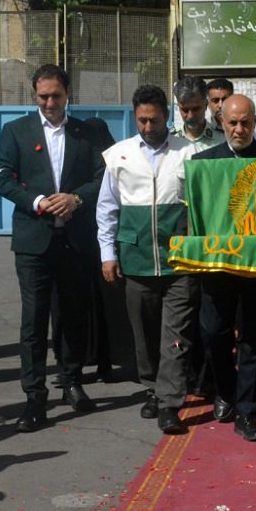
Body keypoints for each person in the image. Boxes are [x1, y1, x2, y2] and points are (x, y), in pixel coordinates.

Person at [0, 64, 106, 433]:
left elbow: (103, 177)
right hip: (34, 241)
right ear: (34, 95)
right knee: (34, 320)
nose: (50, 103)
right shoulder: (17, 131)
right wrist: (38, 201)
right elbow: (2, 179)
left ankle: (71, 381)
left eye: (56, 95)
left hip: (74, 240)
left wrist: (76, 198)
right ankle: (34, 396)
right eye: (43, 96)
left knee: (72, 315)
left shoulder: (86, 133)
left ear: (67, 93)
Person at [192, 94, 256, 442]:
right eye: (232, 123)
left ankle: (248, 412)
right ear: (221, 122)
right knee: (213, 333)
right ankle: (226, 390)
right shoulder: (203, 162)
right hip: (217, 267)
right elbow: (193, 215)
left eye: (245, 122)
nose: (239, 129)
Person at [97, 85, 198, 435]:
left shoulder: (190, 152)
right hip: (136, 259)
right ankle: (153, 388)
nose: (148, 127)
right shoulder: (119, 155)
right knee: (144, 333)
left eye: (154, 120)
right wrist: (107, 254)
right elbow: (107, 209)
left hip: (179, 261)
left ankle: (170, 403)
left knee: (175, 335)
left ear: (166, 116)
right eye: (141, 120)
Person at [81, 117, 116, 382]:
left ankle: (94, 359)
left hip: (91, 244)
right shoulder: (107, 159)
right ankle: (104, 362)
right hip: (100, 246)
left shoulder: (106, 163)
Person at [173, 76, 225, 152]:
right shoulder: (171, 142)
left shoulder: (223, 140)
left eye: (195, 109)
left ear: (206, 105)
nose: (190, 116)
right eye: (185, 110)